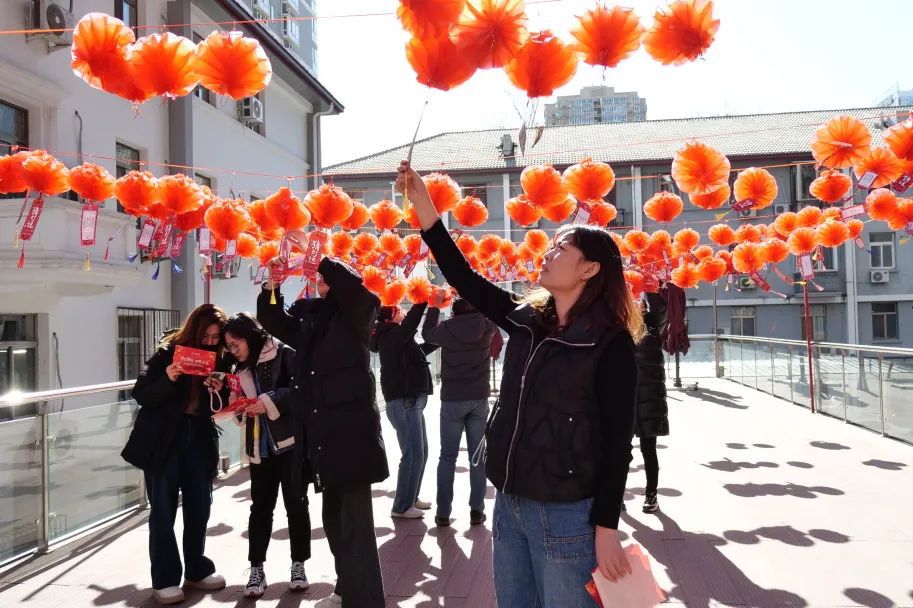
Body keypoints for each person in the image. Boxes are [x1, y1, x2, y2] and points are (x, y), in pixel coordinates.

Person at [398, 160, 643, 607]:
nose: (547, 254)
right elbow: (464, 278)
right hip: (509, 503)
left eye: (561, 248)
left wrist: (607, 528)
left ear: (589, 269)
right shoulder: (526, 320)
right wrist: (424, 207)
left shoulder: (610, 343)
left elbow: (617, 443)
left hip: (568, 512)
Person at [258, 242, 388, 608]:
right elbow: (273, 321)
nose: (321, 282)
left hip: (351, 434)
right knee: (334, 520)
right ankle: (347, 589)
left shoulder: (359, 312)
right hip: (321, 434)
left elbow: (353, 291)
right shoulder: (310, 319)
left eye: (327, 278)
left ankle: (363, 600)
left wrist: (321, 259)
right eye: (319, 278)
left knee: (354, 525)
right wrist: (271, 286)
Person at [123, 304, 230, 605]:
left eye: (216, 337)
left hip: (199, 437)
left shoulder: (221, 358)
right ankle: (165, 579)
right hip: (163, 440)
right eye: (206, 336)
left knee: (200, 505)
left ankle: (197, 569)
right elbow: (141, 394)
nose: (210, 342)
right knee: (162, 510)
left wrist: (218, 389)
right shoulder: (166, 352)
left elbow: (221, 405)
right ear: (195, 329)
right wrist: (168, 378)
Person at [221, 313, 310, 597]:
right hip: (260, 448)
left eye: (235, 344)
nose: (233, 350)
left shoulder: (285, 354)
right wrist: (237, 405)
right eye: (229, 346)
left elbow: (301, 391)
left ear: (250, 337)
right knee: (260, 509)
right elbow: (239, 408)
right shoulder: (239, 367)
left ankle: (298, 565)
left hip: (290, 444)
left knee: (296, 505)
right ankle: (256, 568)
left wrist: (268, 401)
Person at [421, 296, 497, 527]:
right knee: (477, 457)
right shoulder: (487, 326)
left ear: (454, 313)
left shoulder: (446, 329)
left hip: (452, 399)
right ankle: (477, 510)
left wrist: (434, 306)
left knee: (447, 457)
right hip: (479, 398)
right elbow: (495, 311)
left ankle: (443, 513)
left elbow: (427, 335)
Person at [370, 301, 438, 519]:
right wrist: (423, 299)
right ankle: (401, 506)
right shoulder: (390, 335)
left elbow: (421, 350)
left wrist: (442, 337)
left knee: (421, 452)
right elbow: (411, 323)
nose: (403, 311)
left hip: (411, 402)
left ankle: (411, 497)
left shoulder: (396, 336)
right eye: (399, 310)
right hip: (404, 402)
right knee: (412, 454)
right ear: (389, 318)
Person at [634, 291, 670, 514]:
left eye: (638, 300)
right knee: (619, 452)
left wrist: (648, 286)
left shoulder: (652, 326)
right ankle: (616, 495)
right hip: (624, 398)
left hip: (649, 399)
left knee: (649, 450)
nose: (635, 303)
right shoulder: (619, 326)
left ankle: (651, 493)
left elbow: (660, 307)